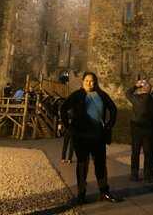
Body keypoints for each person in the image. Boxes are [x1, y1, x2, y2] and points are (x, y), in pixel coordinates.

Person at [61, 71, 119, 205]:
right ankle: (81, 195)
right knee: (82, 165)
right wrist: (68, 127)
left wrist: (109, 125)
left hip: (98, 136)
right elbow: (63, 108)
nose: (89, 83)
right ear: (83, 81)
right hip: (81, 136)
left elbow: (113, 109)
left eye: (92, 81)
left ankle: (104, 192)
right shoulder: (77, 95)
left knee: (100, 164)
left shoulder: (101, 94)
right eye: (87, 80)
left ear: (95, 82)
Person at [126, 79, 153, 182]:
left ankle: (134, 174)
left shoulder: (136, 98)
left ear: (143, 89)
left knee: (135, 152)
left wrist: (136, 86)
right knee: (148, 152)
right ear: (150, 90)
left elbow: (128, 93)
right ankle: (147, 175)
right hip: (148, 129)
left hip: (136, 128)